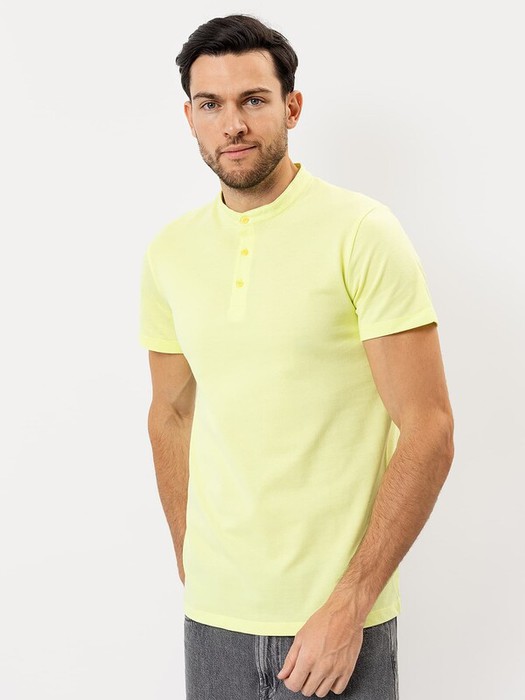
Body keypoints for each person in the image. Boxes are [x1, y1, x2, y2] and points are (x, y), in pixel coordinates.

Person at [138, 13, 454, 700]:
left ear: (292, 106)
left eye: (253, 100)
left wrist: (351, 603)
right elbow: (170, 411)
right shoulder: (170, 252)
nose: (232, 125)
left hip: (335, 621)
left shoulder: (361, 232)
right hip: (214, 618)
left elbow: (428, 427)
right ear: (189, 118)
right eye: (210, 104)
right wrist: (193, 559)